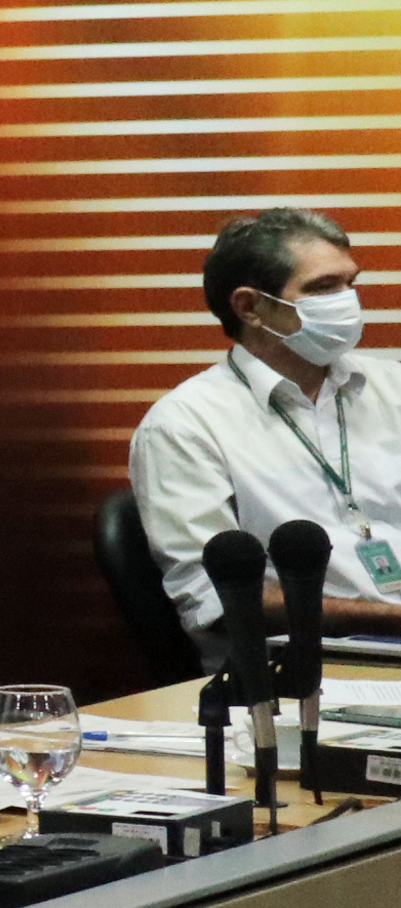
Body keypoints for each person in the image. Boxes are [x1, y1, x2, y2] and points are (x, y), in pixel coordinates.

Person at [130, 208, 401, 648]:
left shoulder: (393, 387)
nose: (347, 301)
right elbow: (216, 600)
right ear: (250, 307)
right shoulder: (184, 426)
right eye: (324, 288)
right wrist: (391, 620)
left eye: (350, 283)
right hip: (309, 661)